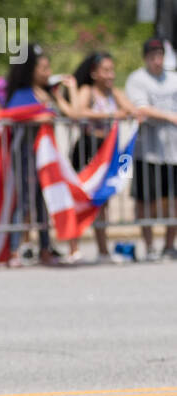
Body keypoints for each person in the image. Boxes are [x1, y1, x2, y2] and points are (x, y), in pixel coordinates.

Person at [1, 43, 77, 266]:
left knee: (43, 201)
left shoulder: (46, 93)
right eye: (43, 68)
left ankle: (45, 247)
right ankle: (14, 249)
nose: (48, 72)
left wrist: (65, 91)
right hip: (24, 153)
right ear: (30, 70)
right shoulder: (22, 93)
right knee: (24, 200)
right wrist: (38, 118)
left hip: (45, 157)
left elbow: (70, 114)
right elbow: (13, 114)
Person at [66, 51, 135, 264]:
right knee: (78, 198)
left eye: (112, 70)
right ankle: (73, 248)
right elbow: (80, 111)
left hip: (106, 151)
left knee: (102, 201)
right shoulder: (88, 90)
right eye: (105, 70)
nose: (110, 75)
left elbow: (131, 110)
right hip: (87, 147)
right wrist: (111, 115)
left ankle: (103, 250)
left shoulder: (114, 93)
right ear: (94, 73)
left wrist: (129, 112)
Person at [124, 36, 177, 260]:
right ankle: (150, 246)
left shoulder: (173, 78)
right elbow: (141, 109)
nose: (158, 61)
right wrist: (170, 117)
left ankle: (168, 245)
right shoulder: (137, 79)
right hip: (148, 151)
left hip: (173, 151)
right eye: (153, 56)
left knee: (173, 199)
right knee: (146, 200)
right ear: (146, 57)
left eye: (160, 56)